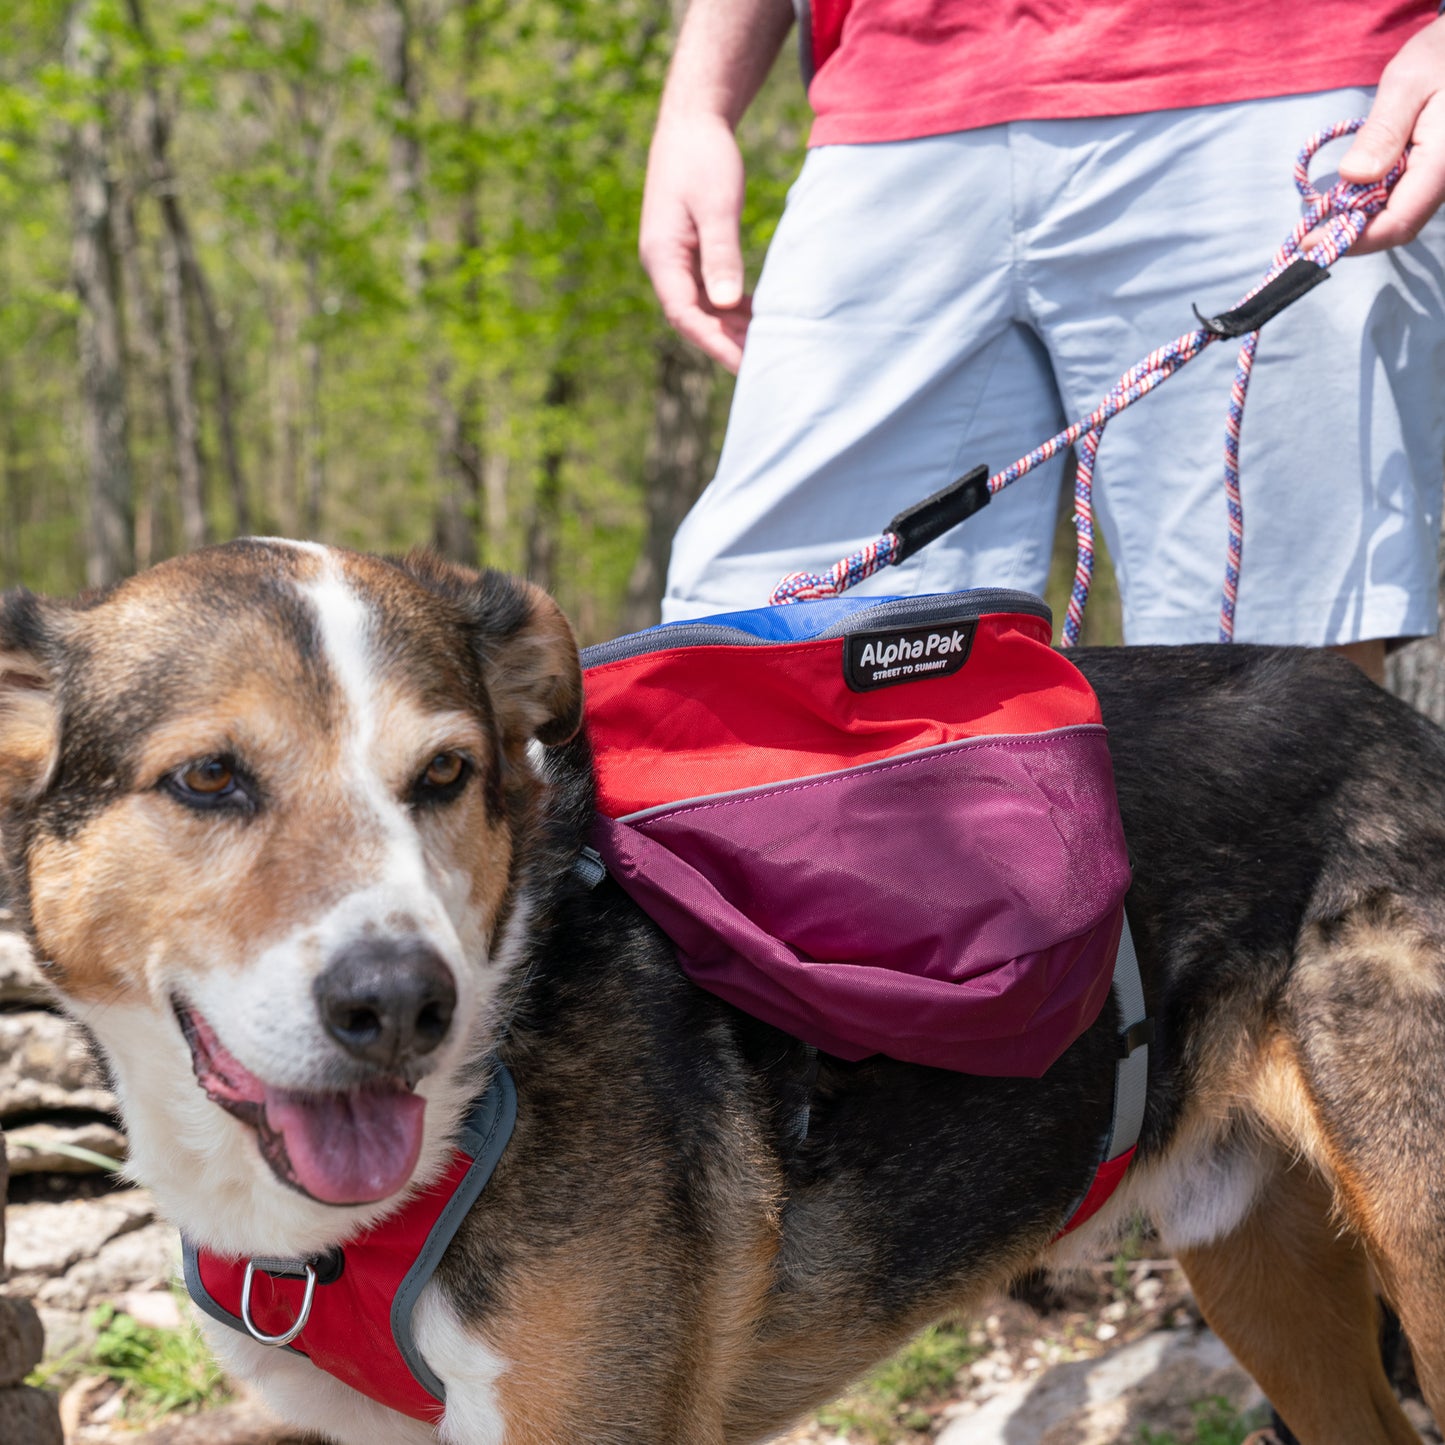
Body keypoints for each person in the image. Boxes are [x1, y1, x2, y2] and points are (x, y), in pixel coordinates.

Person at [640, 0, 1445, 681]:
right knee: (752, 660)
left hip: (1282, 66)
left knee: (1269, 691)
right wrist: (697, 104)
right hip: (893, 92)